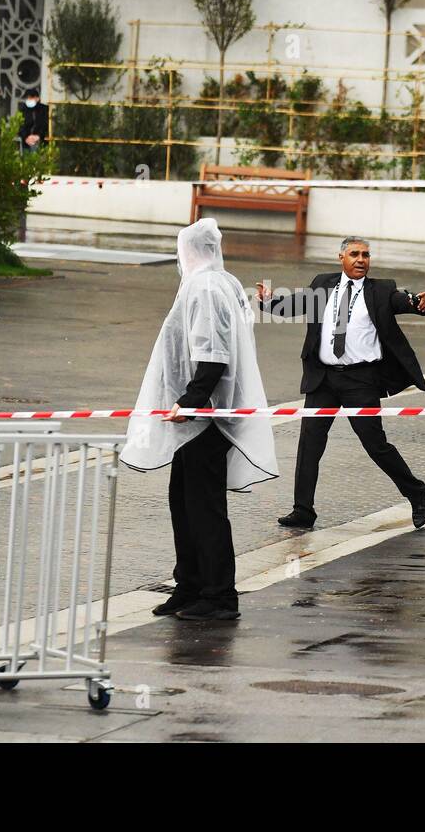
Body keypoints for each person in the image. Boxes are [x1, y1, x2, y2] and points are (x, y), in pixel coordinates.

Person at [121, 219, 277, 622]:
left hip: (207, 418)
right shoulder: (222, 282)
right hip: (201, 416)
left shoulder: (207, 287)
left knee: (204, 507)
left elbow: (214, 352)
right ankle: (189, 585)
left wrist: (192, 400)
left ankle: (220, 595)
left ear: (188, 251)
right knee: (184, 502)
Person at [255, 236, 425, 530]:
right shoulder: (323, 284)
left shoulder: (381, 290)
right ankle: (303, 510)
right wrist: (268, 301)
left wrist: (418, 304)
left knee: (375, 445)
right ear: (341, 258)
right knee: (309, 445)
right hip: (323, 378)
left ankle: (417, 493)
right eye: (354, 254)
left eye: (366, 255)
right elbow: (293, 306)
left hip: (360, 381)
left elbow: (405, 300)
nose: (361, 259)